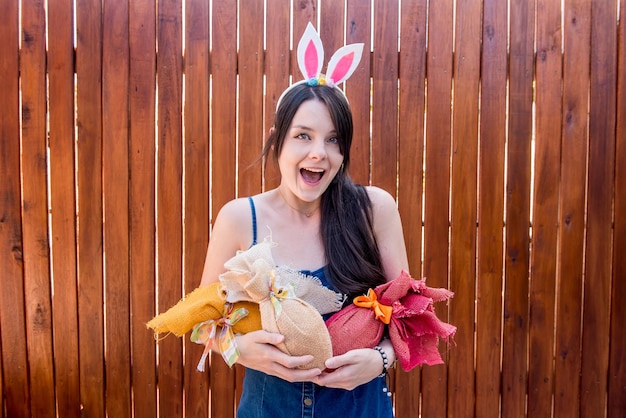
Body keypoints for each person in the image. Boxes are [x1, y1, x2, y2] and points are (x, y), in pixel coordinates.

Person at [199, 23, 409, 418]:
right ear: (277, 139)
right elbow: (203, 325)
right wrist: (238, 349)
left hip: (360, 408)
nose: (318, 153)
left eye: (332, 140)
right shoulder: (240, 219)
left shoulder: (374, 209)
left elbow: (408, 319)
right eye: (303, 136)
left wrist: (379, 360)